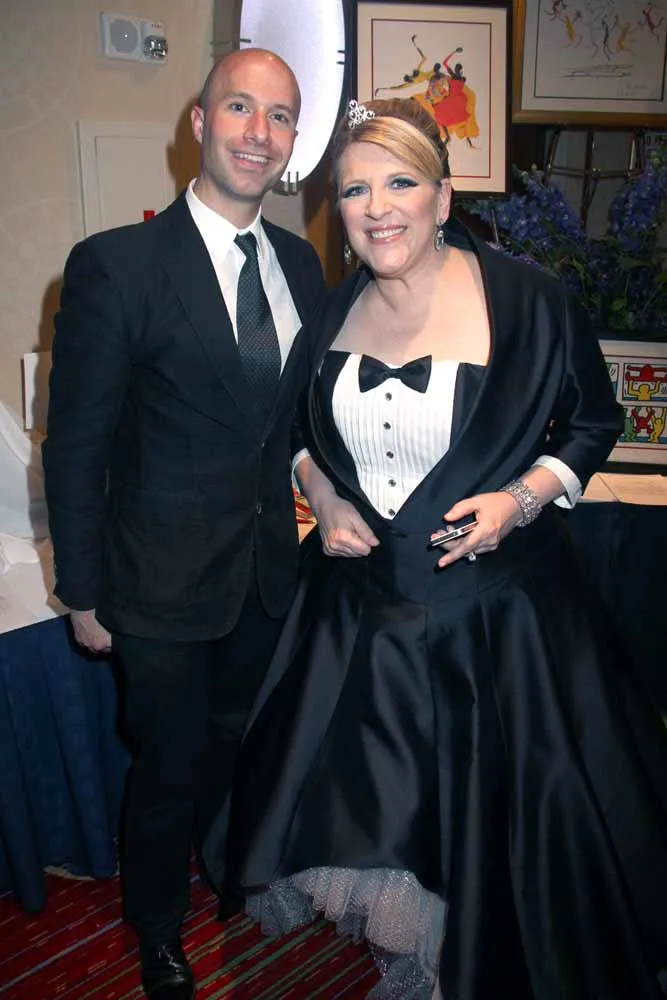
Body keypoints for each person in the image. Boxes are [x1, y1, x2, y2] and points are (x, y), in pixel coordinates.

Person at [203, 98, 667, 999]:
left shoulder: (529, 299)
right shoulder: (331, 309)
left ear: (442, 198)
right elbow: (293, 431)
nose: (377, 208)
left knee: (505, 834)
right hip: (363, 624)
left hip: (498, 627)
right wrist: (321, 491)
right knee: (385, 813)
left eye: (400, 183)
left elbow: (593, 423)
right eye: (353, 191)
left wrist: (519, 500)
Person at [42, 48, 326, 1000]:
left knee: (241, 746)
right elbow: (76, 445)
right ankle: (157, 926)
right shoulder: (116, 265)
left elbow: (290, 423)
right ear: (199, 124)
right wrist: (81, 590)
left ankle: (231, 870)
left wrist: (322, 491)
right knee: (166, 765)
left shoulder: (300, 264)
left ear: (291, 143)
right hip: (154, 581)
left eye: (278, 117)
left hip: (265, 573)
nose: (258, 132)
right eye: (239, 108)